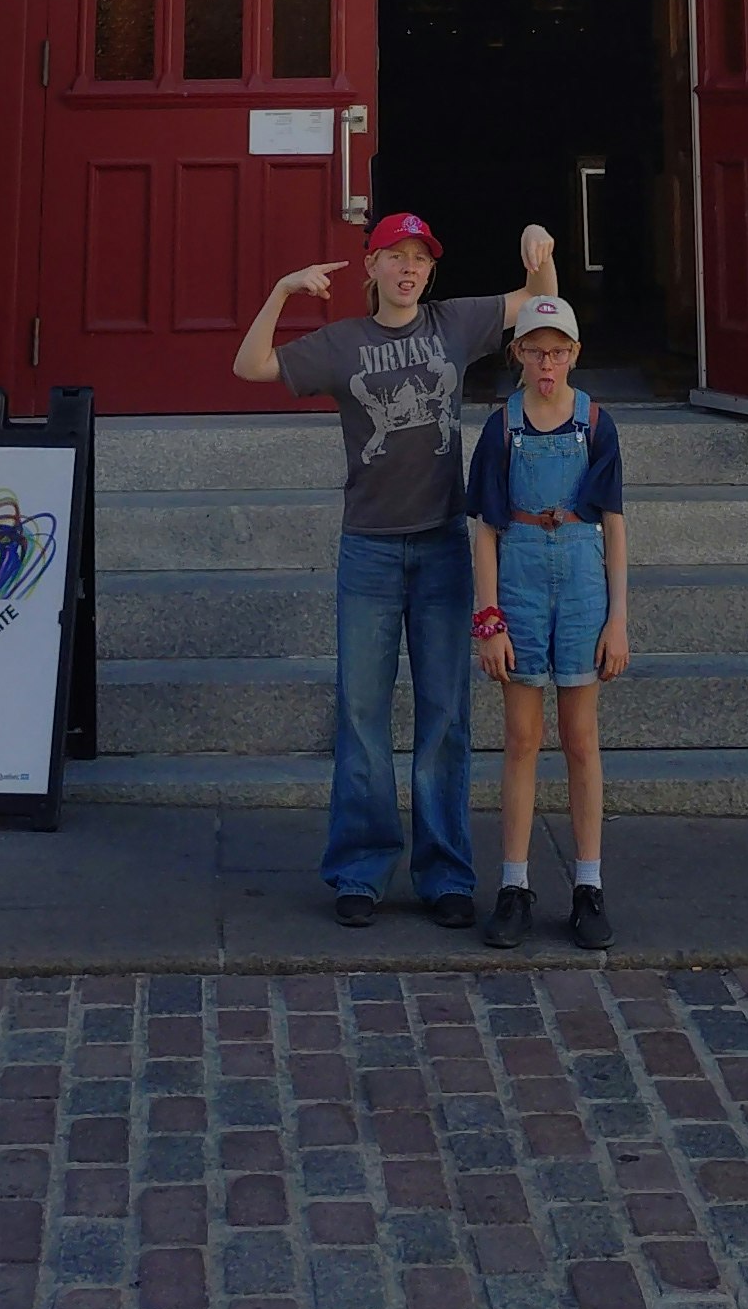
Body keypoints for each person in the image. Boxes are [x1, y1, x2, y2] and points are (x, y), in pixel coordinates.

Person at [234, 204, 557, 926]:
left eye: (420, 259)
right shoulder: (342, 343)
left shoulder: (454, 324)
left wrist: (537, 253)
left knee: (445, 714)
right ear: (372, 268)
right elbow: (251, 365)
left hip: (444, 544)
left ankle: (444, 873)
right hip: (371, 550)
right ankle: (360, 869)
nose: (409, 269)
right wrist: (283, 291)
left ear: (430, 271)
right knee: (361, 713)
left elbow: (542, 309)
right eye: (394, 256)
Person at [466, 292, 629, 950]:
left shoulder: (596, 424)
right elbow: (485, 530)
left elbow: (613, 525)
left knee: (581, 738)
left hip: (584, 579)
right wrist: (490, 618)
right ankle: (514, 884)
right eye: (535, 351)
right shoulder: (501, 429)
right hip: (523, 578)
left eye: (558, 352)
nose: (547, 364)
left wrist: (618, 617)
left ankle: (588, 884)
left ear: (574, 356)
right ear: (517, 355)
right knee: (522, 738)